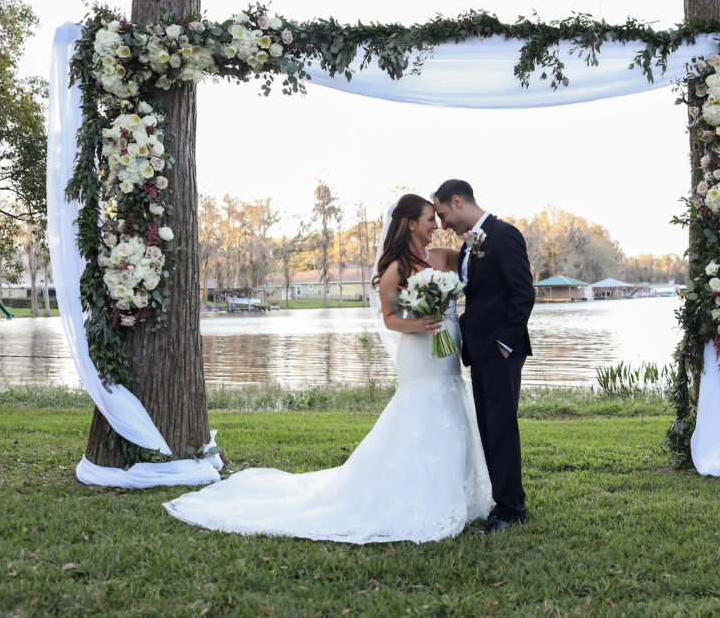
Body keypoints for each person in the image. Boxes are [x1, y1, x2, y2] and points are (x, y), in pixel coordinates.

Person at [163, 193, 492, 544]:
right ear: (411, 223)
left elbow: (480, 264)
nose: (436, 226)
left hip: (448, 351)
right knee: (422, 412)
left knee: (451, 409)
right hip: (420, 350)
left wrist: (477, 242)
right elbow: (392, 319)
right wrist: (421, 323)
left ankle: (460, 495)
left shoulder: (442, 256)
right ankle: (415, 496)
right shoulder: (394, 269)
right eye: (430, 219)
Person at [432, 179, 535, 533]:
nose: (443, 224)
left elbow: (524, 292)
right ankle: (502, 502)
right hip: (479, 350)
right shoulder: (467, 246)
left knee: (502, 426)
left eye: (444, 214)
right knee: (490, 427)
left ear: (458, 202)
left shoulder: (504, 234)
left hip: (501, 350)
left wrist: (505, 344)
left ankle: (511, 509)